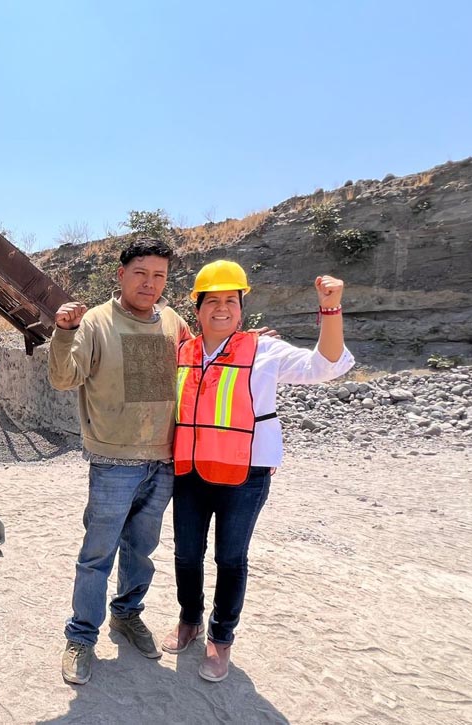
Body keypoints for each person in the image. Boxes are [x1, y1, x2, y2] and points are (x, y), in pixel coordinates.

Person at [160, 260, 354, 682]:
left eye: (232, 300)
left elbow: (326, 366)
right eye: (213, 301)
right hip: (190, 472)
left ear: (242, 307)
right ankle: (189, 620)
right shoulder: (183, 353)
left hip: (245, 477)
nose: (222, 308)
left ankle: (220, 638)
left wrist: (331, 309)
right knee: (186, 555)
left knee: (231, 559)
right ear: (197, 308)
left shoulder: (264, 351)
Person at [49, 237, 191, 685]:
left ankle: (127, 615)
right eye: (141, 273)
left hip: (163, 462)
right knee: (97, 555)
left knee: (141, 551)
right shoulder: (95, 322)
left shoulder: (172, 322)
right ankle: (80, 637)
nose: (150, 284)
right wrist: (64, 331)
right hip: (113, 462)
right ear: (121, 274)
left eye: (159, 276)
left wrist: (247, 345)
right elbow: (63, 377)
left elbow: (202, 360)